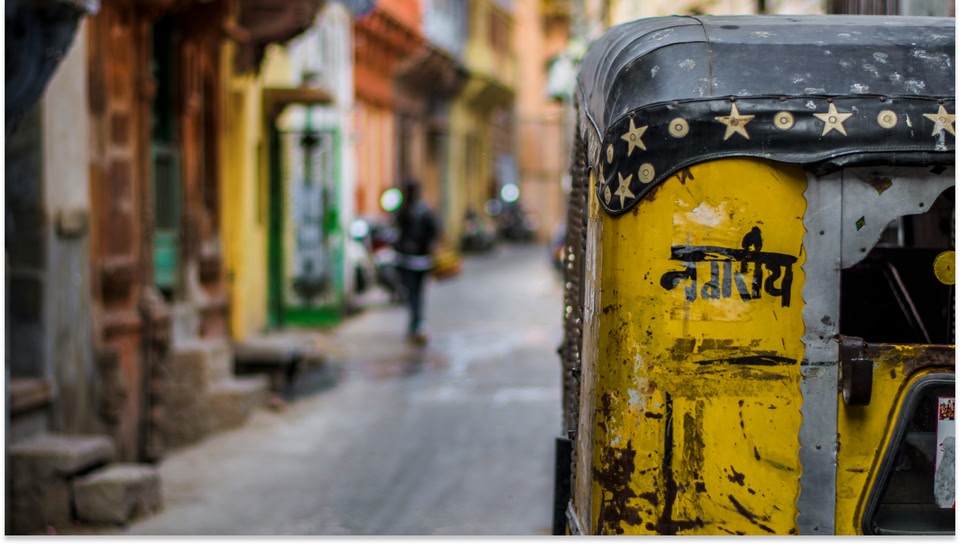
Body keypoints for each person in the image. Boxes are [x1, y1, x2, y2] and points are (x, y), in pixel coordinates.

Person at [392, 178, 439, 344]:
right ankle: (417, 324)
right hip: (419, 261)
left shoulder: (405, 210)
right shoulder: (423, 210)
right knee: (417, 293)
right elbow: (434, 232)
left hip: (409, 260)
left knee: (412, 294)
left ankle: (417, 323)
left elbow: (396, 232)